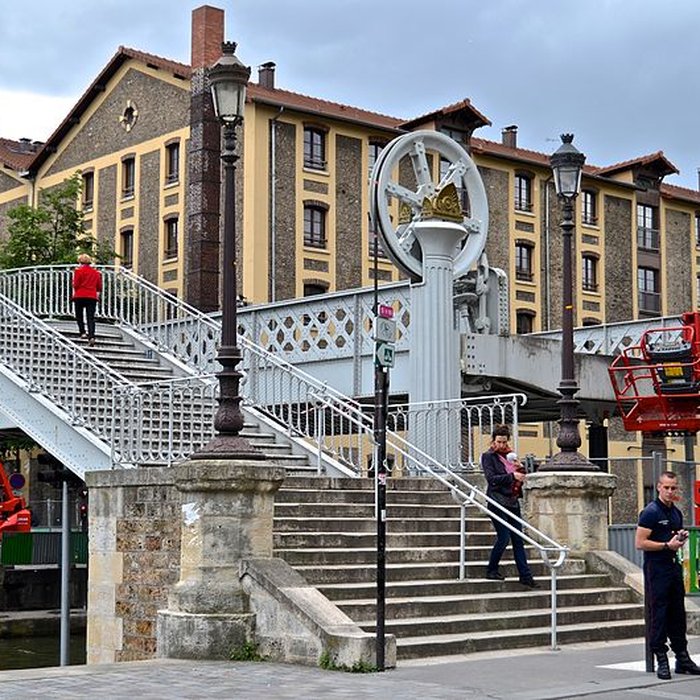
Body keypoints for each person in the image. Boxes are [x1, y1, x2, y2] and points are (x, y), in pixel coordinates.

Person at [636, 471, 700, 680]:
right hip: (656, 569)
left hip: (673, 567)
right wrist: (666, 545)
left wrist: (680, 537)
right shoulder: (650, 512)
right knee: (659, 613)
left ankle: (682, 658)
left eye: (673, 488)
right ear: (658, 487)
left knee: (677, 614)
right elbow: (640, 543)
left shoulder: (676, 513)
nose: (670, 491)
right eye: (667, 487)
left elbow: (673, 537)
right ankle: (661, 659)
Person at [480, 424, 539, 588]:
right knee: (504, 537)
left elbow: (523, 475)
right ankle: (491, 569)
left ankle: (525, 576)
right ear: (493, 441)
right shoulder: (488, 457)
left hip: (512, 501)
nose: (502, 445)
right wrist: (512, 475)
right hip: (496, 501)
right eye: (499, 442)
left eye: (504, 442)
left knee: (518, 539)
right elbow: (492, 479)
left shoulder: (510, 457)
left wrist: (521, 468)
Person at [72, 253, 102, 346]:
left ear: (80, 262)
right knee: (91, 317)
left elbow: (75, 285)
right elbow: (99, 287)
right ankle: (92, 336)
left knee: (79, 315)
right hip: (91, 297)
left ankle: (83, 332)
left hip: (80, 296)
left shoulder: (78, 271)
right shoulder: (96, 273)